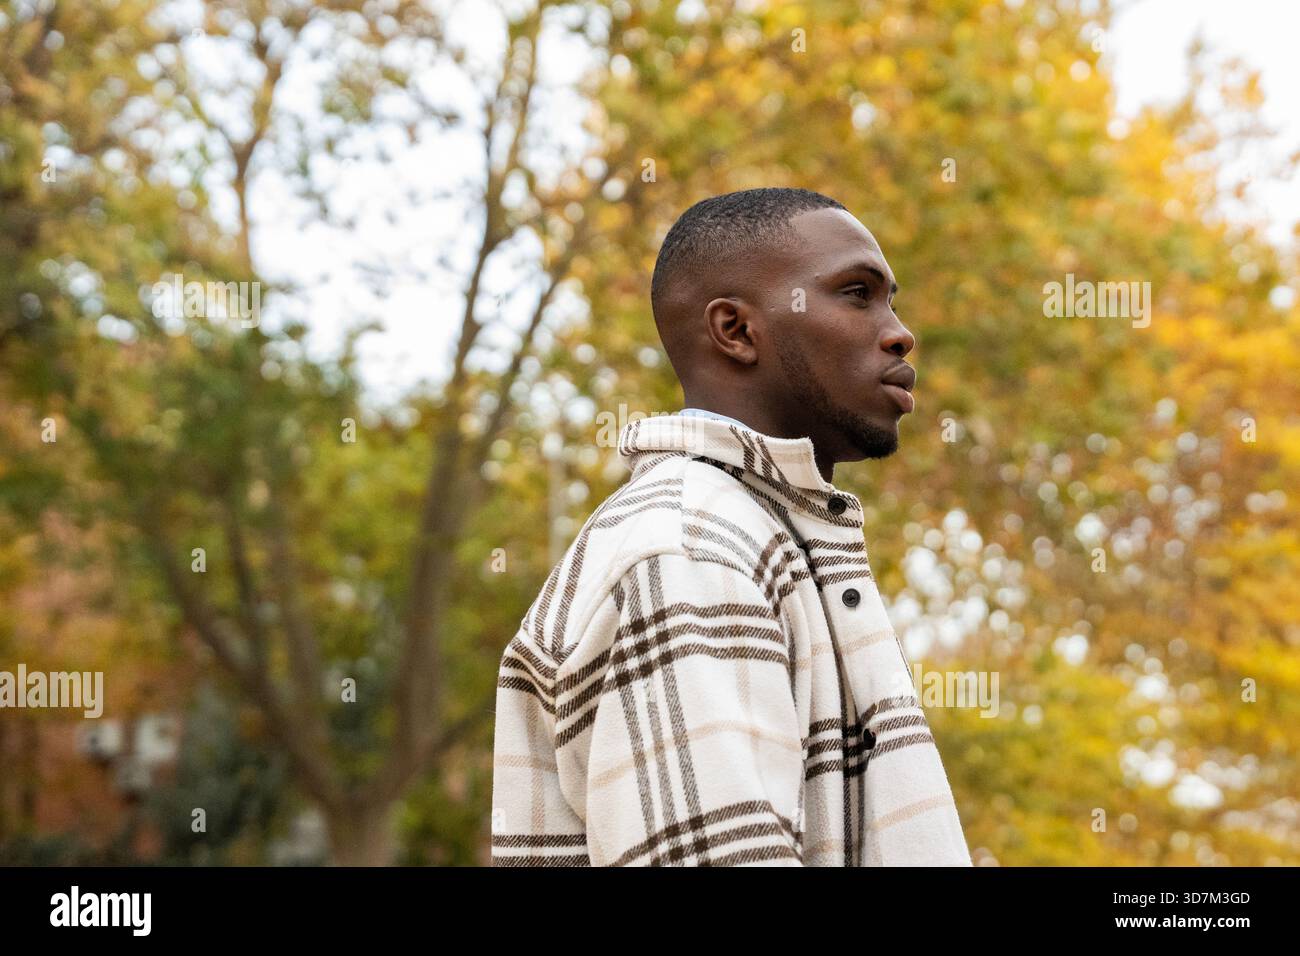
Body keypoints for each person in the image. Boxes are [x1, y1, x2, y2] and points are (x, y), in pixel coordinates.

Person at [490, 187, 972, 866]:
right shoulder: (691, 548)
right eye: (857, 294)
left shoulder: (756, 536)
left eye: (891, 299)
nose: (898, 331)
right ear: (737, 332)